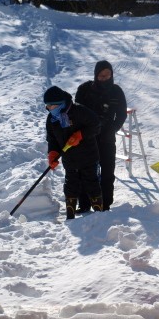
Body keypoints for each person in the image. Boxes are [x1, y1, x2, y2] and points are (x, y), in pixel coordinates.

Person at [75, 60, 127, 212]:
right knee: (85, 170)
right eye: (101, 76)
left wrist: (112, 128)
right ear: (96, 75)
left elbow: (122, 114)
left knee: (107, 171)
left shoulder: (116, 91)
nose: (105, 78)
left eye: (108, 75)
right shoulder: (84, 89)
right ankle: (84, 204)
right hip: (87, 137)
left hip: (107, 137)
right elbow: (77, 111)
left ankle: (104, 204)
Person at [44, 86, 103, 220]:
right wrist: (52, 153)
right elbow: (52, 139)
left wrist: (81, 134)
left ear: (59, 104)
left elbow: (96, 125)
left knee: (91, 182)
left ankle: (99, 214)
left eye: (50, 106)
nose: (48, 108)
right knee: (71, 184)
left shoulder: (79, 111)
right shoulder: (52, 119)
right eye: (46, 106)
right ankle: (70, 214)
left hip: (88, 155)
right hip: (69, 158)